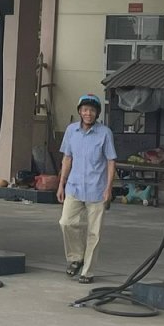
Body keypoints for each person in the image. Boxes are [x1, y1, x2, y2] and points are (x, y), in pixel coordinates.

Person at [57, 94, 117, 282]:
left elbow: (111, 162)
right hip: (74, 187)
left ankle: (87, 272)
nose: (88, 113)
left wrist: (109, 188)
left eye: (91, 110)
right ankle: (76, 258)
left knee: (94, 233)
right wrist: (61, 184)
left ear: (97, 113)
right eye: (84, 110)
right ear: (79, 112)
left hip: (96, 189)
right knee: (66, 222)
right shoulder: (71, 131)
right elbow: (67, 158)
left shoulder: (105, 133)